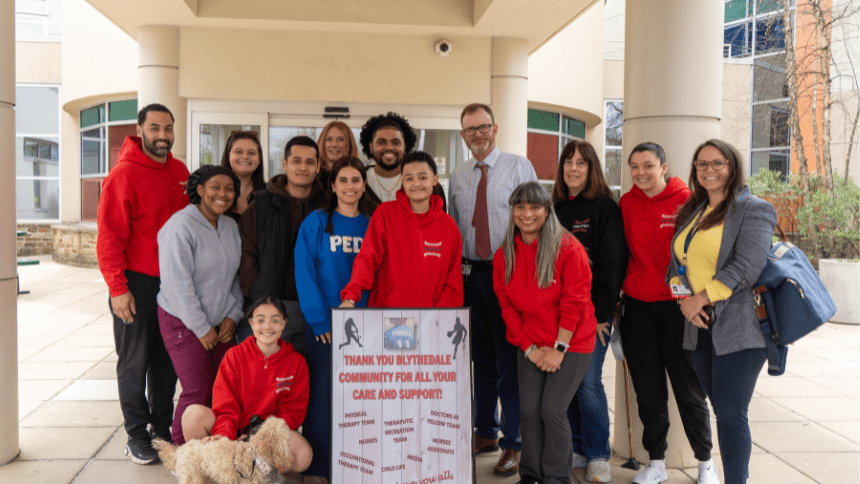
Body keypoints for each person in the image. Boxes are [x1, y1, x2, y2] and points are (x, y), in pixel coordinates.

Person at [667, 140, 776, 484]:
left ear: (733, 166)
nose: (708, 170)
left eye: (717, 163)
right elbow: (676, 262)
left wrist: (700, 297)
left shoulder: (753, 209)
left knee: (731, 413)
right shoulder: (693, 209)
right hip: (698, 325)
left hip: (741, 327)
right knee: (721, 410)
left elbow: (747, 266)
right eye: (701, 164)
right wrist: (685, 299)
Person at [96, 103, 190, 464]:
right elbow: (108, 237)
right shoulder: (123, 175)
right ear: (140, 129)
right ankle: (136, 434)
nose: (163, 135)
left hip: (172, 285)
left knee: (166, 361)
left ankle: (161, 428)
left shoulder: (180, 171)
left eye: (168, 128)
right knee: (134, 362)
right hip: (135, 283)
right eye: (155, 128)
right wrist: (117, 288)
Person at [618, 142, 717, 484]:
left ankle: (705, 462)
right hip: (639, 309)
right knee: (648, 391)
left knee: (689, 388)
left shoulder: (687, 200)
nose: (641, 173)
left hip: (680, 309)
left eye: (648, 165)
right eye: (634, 166)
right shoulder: (627, 203)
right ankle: (656, 462)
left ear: (663, 167)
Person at [448, 102, 538, 477]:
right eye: (470, 130)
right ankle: (484, 431)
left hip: (509, 276)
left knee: (507, 362)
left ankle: (513, 443)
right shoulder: (458, 175)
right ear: (464, 135)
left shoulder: (519, 166)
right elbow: (453, 229)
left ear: (495, 128)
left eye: (483, 127)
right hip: (471, 277)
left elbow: (536, 220)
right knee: (479, 360)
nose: (478, 135)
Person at [493, 181, 597, 484]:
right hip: (532, 342)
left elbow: (575, 303)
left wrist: (558, 349)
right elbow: (508, 309)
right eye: (520, 207)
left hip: (572, 341)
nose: (527, 214)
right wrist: (529, 348)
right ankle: (531, 474)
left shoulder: (567, 248)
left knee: (552, 411)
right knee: (529, 412)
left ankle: (556, 477)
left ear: (547, 210)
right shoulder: (505, 255)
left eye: (535, 207)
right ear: (512, 211)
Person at [294, 156, 377, 482]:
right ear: (332, 185)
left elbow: (379, 273)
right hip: (326, 327)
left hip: (364, 328)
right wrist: (319, 321)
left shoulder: (371, 224)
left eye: (356, 180)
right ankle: (318, 468)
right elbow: (305, 272)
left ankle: (356, 465)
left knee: (360, 400)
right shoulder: (316, 221)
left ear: (363, 184)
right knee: (323, 397)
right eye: (343, 180)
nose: (350, 186)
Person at [552, 140, 627, 483]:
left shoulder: (603, 208)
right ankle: (577, 448)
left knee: (588, 383)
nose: (573, 168)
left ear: (592, 168)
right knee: (566, 383)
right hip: (558, 313)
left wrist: (602, 316)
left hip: (593, 315)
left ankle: (598, 454)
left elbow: (612, 264)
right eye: (568, 162)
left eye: (581, 163)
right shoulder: (554, 207)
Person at [155, 165, 244, 445]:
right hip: (182, 321)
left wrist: (233, 315)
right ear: (200, 189)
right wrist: (202, 328)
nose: (223, 193)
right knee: (197, 389)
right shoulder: (180, 226)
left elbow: (235, 277)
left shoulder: (230, 226)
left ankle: (215, 447)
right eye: (215, 186)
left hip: (221, 323)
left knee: (224, 388)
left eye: (229, 188)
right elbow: (176, 284)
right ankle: (181, 452)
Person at [181, 297, 313, 479]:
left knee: (304, 456)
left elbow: (293, 412)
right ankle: (216, 471)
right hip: (232, 429)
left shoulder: (297, 363)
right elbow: (224, 404)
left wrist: (259, 439)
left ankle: (259, 470)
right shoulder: (234, 355)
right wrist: (225, 436)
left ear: (284, 324)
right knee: (191, 416)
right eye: (260, 320)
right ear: (251, 323)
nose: (267, 327)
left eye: (275, 320)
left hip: (266, 436)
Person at [238, 135, 327, 357]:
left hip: (316, 311)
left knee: (313, 382)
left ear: (318, 167)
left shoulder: (329, 206)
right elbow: (246, 256)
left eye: (309, 162)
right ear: (285, 164)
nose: (303, 168)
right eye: (296, 161)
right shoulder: (261, 204)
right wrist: (260, 300)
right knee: (270, 383)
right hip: (271, 310)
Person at [340, 151, 463, 308]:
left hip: (431, 321)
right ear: (402, 181)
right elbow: (366, 260)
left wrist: (440, 317)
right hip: (387, 318)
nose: (416, 183)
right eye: (409, 178)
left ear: (435, 180)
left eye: (423, 177)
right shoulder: (385, 214)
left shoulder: (449, 226)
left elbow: (453, 281)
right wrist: (351, 296)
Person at [358, 112, 446, 208]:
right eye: (381, 142)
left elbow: (442, 221)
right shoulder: (356, 182)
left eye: (396, 142)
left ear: (405, 146)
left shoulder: (429, 186)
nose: (389, 147)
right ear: (371, 147)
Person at [219, 130, 265, 223]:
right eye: (239, 151)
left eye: (251, 153)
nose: (245, 157)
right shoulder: (212, 192)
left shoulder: (270, 195)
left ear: (259, 159)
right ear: (228, 156)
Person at [316, 120, 359, 186]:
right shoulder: (312, 176)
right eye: (329, 139)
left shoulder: (358, 177)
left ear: (349, 144)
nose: (334, 145)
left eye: (340, 139)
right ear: (322, 143)